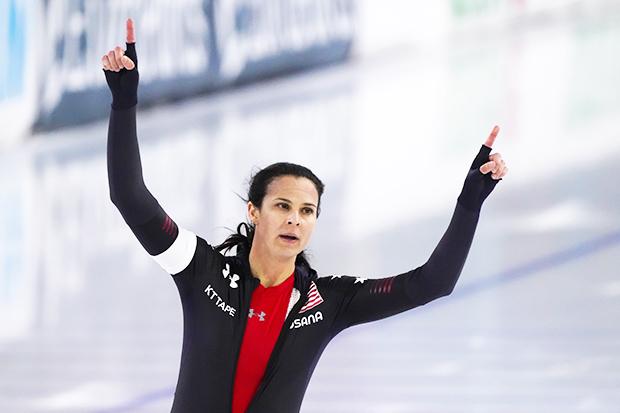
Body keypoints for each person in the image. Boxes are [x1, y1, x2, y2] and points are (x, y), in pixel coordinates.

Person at [103, 18, 508, 413]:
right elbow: (129, 197)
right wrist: (124, 104)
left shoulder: (327, 302)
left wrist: (469, 204)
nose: (295, 219)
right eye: (282, 206)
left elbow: (432, 283)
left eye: (307, 211)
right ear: (254, 212)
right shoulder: (202, 270)